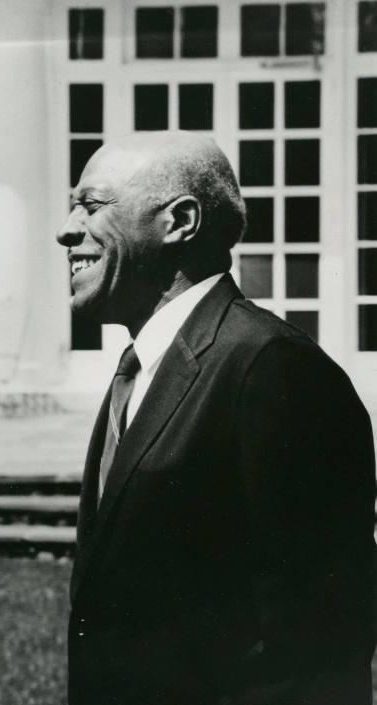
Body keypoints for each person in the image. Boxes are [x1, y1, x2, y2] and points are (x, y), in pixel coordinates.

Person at [56, 132, 376, 705]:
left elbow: (316, 650)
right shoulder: (142, 367)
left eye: (93, 205)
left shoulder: (274, 372)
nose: (67, 228)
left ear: (179, 221)